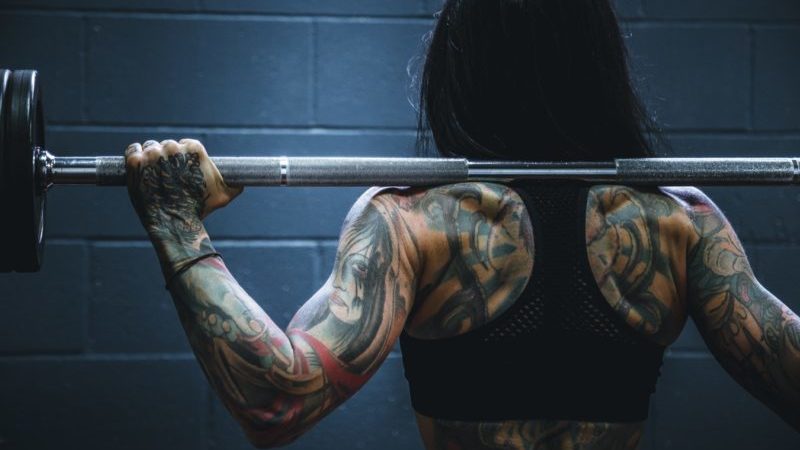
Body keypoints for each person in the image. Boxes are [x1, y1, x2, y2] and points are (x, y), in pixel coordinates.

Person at [124, 0, 800, 448]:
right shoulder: (680, 224)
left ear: (459, 67)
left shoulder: (412, 223)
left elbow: (278, 400)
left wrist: (178, 223)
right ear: (601, 66)